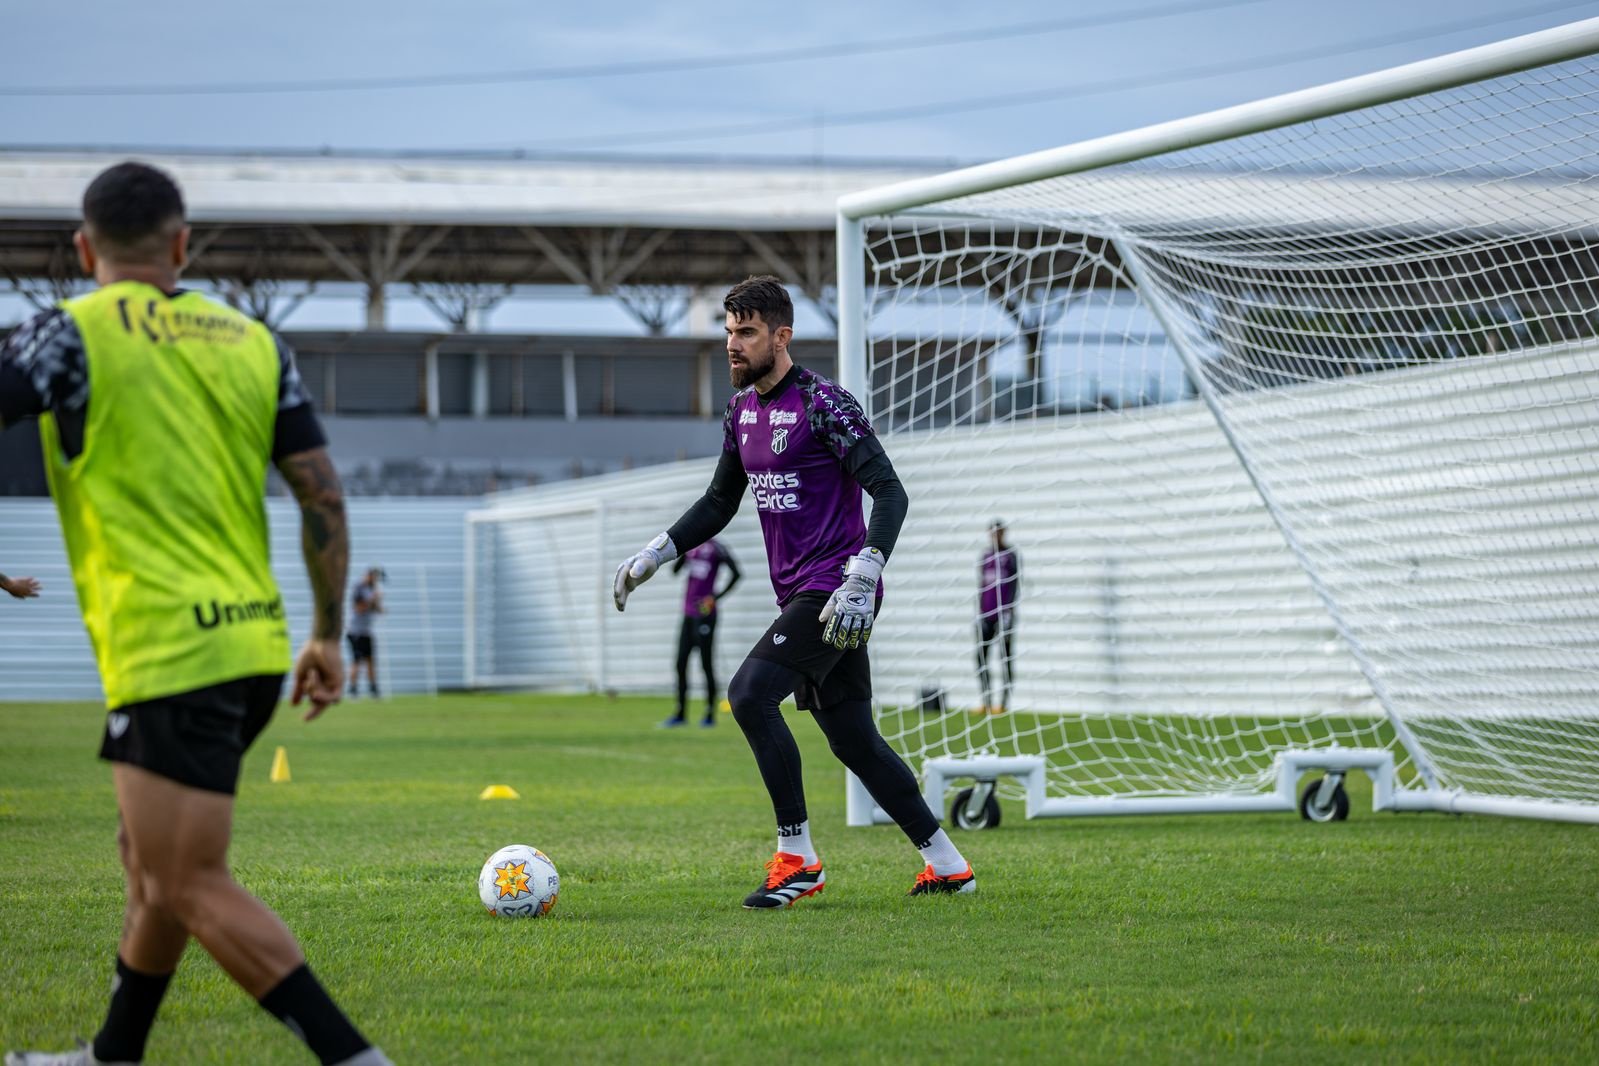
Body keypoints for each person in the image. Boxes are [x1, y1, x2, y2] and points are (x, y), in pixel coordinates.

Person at [0, 162, 389, 1066]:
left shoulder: (66, 335)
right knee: (148, 866)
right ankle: (113, 1056)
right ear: (182, 247)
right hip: (250, 642)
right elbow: (321, 494)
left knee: (185, 878)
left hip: (168, 652)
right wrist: (326, 633)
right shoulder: (252, 339)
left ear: (82, 248)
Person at [613, 275, 975, 907]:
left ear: (782, 336)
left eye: (746, 332)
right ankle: (947, 865)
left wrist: (865, 572)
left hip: (839, 587)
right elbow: (722, 499)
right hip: (802, 595)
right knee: (853, 739)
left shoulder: (824, 403)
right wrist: (657, 551)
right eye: (728, 332)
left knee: (749, 695)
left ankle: (798, 859)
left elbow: (890, 491)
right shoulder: (741, 412)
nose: (733, 345)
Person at [663, 538, 741, 728]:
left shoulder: (717, 548)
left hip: (705, 614)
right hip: (688, 614)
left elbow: (737, 574)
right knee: (681, 663)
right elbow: (674, 571)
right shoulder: (691, 547)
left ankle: (709, 714)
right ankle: (680, 713)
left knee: (706, 663)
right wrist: (683, 550)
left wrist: (715, 598)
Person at [976, 519, 1020, 714]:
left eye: (999, 533)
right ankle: (986, 700)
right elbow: (981, 586)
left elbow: (1015, 585)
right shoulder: (985, 556)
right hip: (986, 614)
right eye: (992, 533)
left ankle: (1003, 703)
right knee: (980, 657)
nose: (996, 536)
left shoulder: (1010, 556)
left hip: (1005, 614)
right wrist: (979, 612)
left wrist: (1009, 611)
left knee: (1005, 657)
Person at [347, 567, 384, 698]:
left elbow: (377, 610)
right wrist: (372, 599)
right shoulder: (359, 588)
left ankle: (373, 689)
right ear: (368, 575)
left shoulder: (372, 590)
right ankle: (353, 689)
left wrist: (378, 604)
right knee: (356, 661)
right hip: (355, 632)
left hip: (367, 632)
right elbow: (359, 608)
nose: (375, 580)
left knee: (370, 661)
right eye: (374, 576)